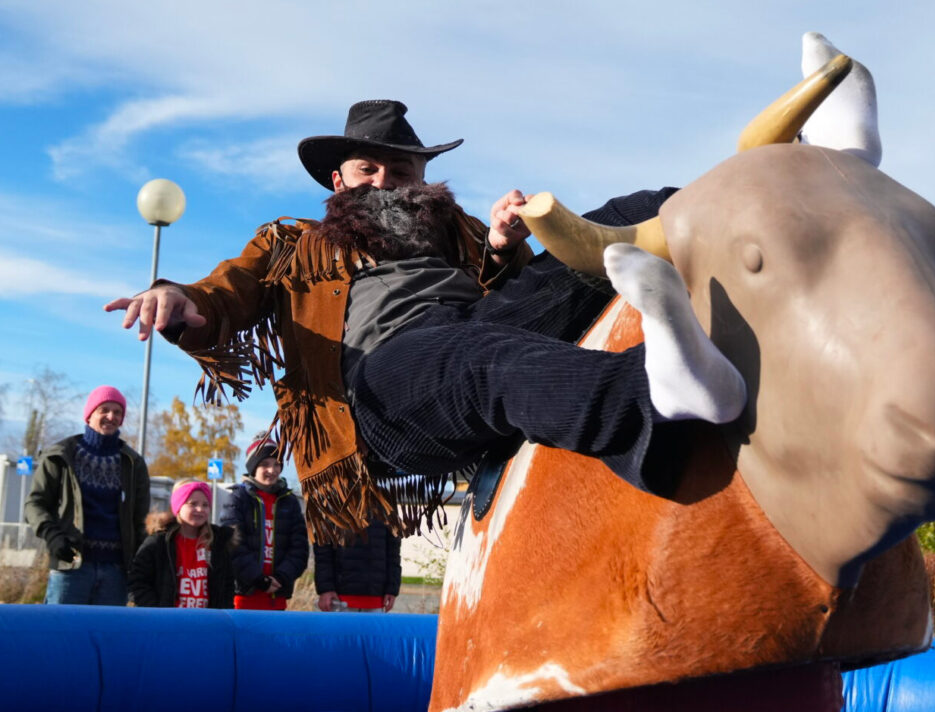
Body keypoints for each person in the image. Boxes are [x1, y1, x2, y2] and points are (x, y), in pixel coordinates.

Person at [104, 100, 746, 542]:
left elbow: (522, 295)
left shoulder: (457, 229)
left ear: (423, 176)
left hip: (475, 329)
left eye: (401, 169)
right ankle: (657, 398)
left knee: (619, 218)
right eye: (367, 169)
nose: (385, 180)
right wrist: (182, 300)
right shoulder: (291, 242)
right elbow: (228, 292)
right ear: (339, 178)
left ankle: (762, 195)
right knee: (479, 361)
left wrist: (498, 245)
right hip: (380, 391)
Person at [24, 385, 150, 604]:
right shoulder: (60, 456)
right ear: (89, 414)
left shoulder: (133, 463)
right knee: (62, 633)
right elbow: (35, 504)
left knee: (106, 636)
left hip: (115, 571)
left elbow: (141, 518)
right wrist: (53, 536)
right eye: (104, 410)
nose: (111, 416)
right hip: (71, 565)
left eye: (117, 412)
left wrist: (140, 559)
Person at [221, 434, 309, 609]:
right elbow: (233, 545)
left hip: (277, 596)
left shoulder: (289, 501)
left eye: (277, 464)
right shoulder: (238, 499)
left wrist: (283, 577)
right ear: (253, 467)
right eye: (265, 464)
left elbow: (299, 548)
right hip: (244, 597)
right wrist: (257, 579)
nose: (272, 470)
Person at [128, 481, 235, 608]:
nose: (200, 509)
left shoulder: (218, 543)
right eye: (193, 504)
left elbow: (227, 586)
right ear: (178, 506)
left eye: (205, 505)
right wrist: (156, 611)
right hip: (168, 623)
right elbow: (137, 582)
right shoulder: (159, 542)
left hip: (206, 622)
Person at [313, 517, 402, 612]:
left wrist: (392, 588)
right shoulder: (331, 505)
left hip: (376, 599)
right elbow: (323, 551)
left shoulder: (387, 509)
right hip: (339, 599)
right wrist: (326, 589)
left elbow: (393, 554)